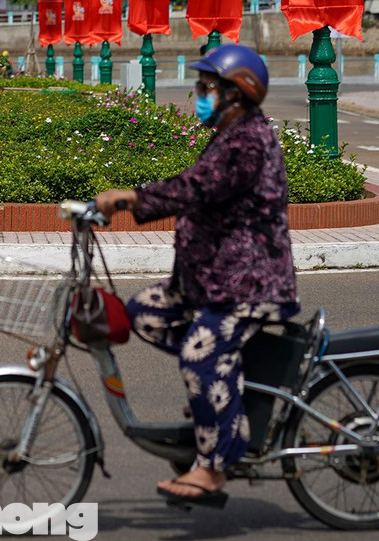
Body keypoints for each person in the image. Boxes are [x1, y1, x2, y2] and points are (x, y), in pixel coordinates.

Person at [94, 43, 299, 508]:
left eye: (206, 88)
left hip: (247, 285)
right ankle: (223, 396)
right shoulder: (230, 135)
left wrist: (131, 198)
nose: (198, 95)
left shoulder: (248, 141)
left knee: (200, 356)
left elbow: (197, 187)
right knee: (144, 313)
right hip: (210, 282)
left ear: (236, 94)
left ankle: (213, 466)